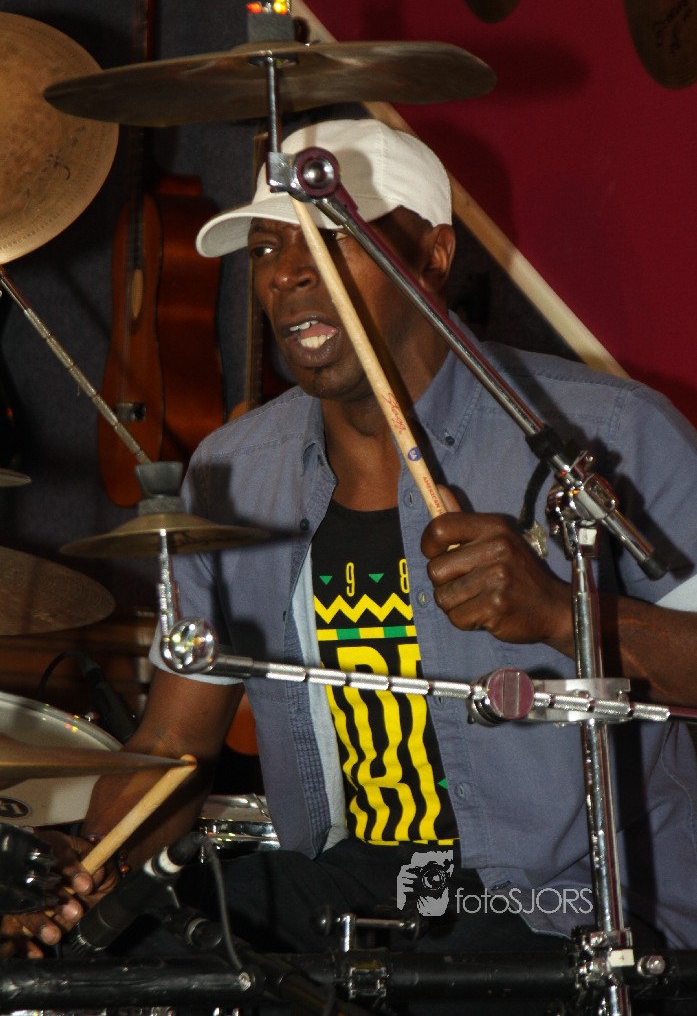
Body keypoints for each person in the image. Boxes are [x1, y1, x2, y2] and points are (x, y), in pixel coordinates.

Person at [4, 118, 697, 1014]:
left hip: (570, 897)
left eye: (332, 236)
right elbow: (174, 746)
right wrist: (85, 870)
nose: (288, 272)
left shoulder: (607, 434)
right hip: (349, 884)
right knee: (111, 973)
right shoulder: (230, 474)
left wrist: (564, 616)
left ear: (434, 255)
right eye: (266, 246)